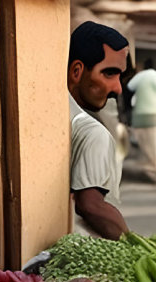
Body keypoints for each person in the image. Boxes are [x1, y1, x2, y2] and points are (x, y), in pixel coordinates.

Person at [67, 20, 130, 240]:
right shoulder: (92, 133)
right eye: (109, 74)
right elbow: (91, 206)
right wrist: (135, 245)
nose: (118, 88)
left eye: (120, 76)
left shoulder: (55, 116)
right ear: (77, 71)